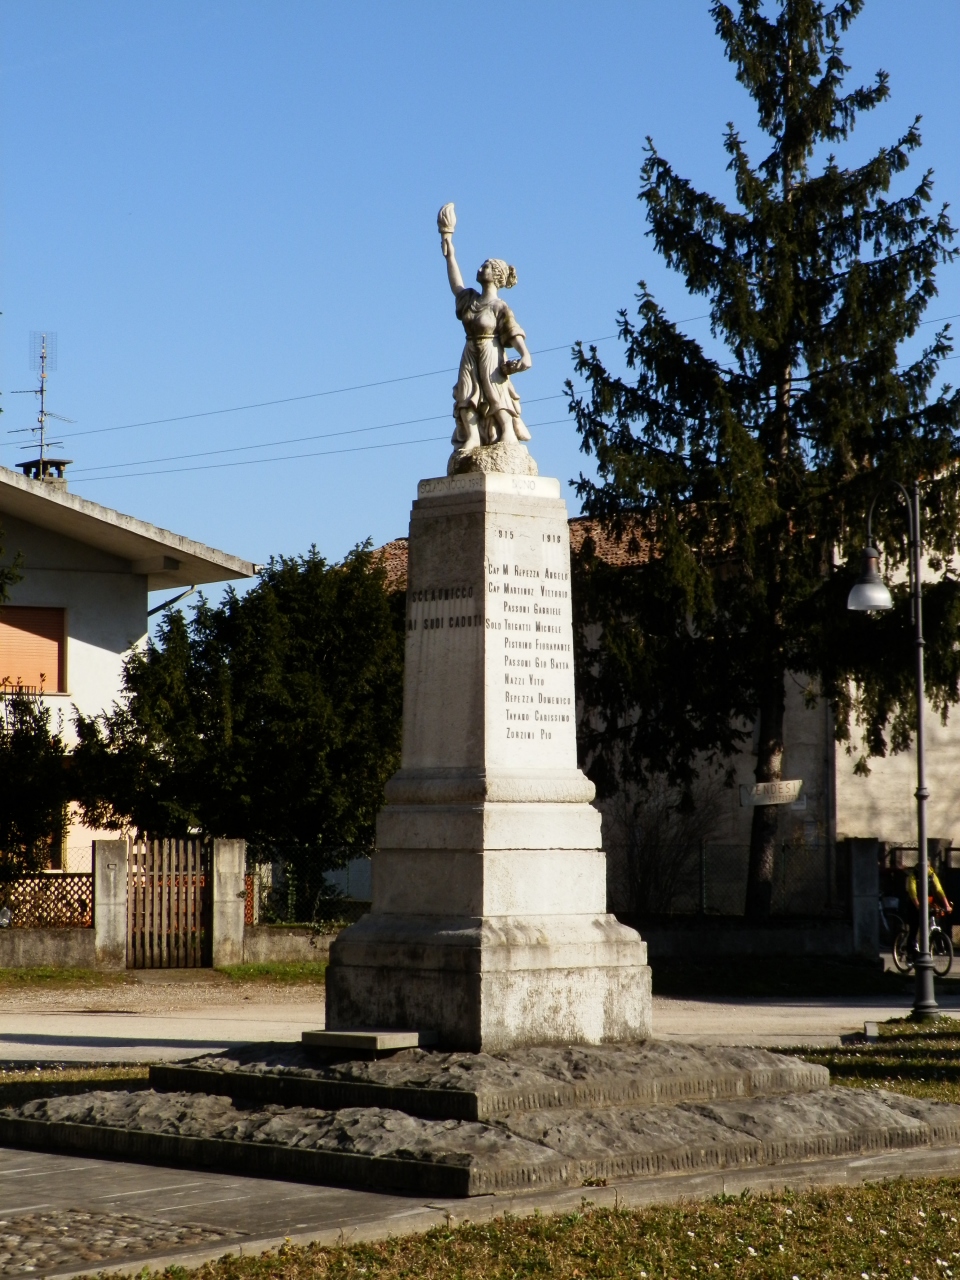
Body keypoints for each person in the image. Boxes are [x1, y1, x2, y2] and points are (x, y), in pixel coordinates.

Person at [437, 203, 533, 454]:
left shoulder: (499, 306)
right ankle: (471, 437)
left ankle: (507, 433)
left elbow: (512, 332)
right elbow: (456, 283)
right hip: (470, 348)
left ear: (497, 275)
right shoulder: (470, 298)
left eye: (487, 267)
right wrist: (449, 251)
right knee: (465, 393)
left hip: (491, 349)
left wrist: (524, 355)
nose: (481, 268)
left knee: (493, 392)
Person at [904, 863, 953, 955]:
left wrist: (946, 905)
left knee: (931, 919)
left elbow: (939, 890)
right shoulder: (914, 875)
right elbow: (912, 891)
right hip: (914, 905)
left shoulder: (932, 875)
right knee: (914, 928)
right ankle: (910, 954)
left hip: (928, 904)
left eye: (927, 866)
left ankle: (927, 946)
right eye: (924, 866)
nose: (926, 869)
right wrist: (918, 905)